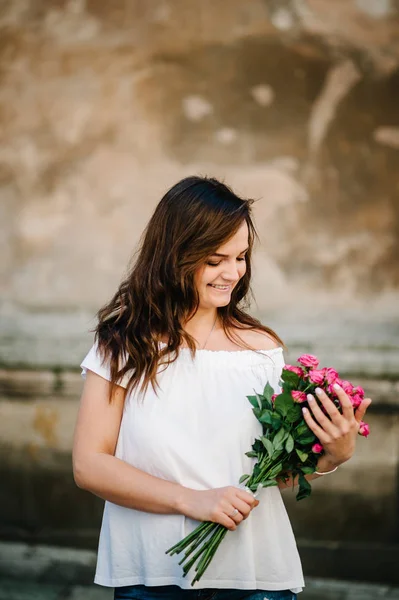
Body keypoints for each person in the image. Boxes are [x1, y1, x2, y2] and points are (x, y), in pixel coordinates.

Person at [72, 176, 371, 600]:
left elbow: (268, 474)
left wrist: (331, 457)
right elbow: (89, 465)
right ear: (175, 256)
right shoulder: (123, 344)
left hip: (253, 577)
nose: (232, 273)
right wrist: (190, 500)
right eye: (215, 260)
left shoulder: (262, 350)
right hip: (152, 573)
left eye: (241, 257)